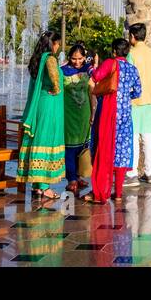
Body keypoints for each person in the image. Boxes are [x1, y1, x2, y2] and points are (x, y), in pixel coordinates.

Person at [89, 38, 141, 203]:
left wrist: (91, 67)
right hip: (125, 115)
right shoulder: (132, 69)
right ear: (127, 52)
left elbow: (96, 77)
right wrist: (125, 96)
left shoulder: (110, 63)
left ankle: (101, 190)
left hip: (108, 114)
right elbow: (138, 92)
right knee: (121, 153)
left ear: (113, 51)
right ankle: (118, 194)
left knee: (104, 149)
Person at [17, 31, 67, 202]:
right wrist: (57, 88)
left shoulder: (38, 59)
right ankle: (45, 187)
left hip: (40, 105)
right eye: (57, 43)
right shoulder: (50, 59)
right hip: (49, 106)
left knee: (38, 140)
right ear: (52, 43)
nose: (59, 46)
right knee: (47, 140)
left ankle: (38, 186)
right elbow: (55, 78)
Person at [126, 23, 151, 187]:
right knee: (148, 136)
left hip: (135, 100)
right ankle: (150, 172)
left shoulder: (131, 54)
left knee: (133, 137)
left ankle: (132, 174)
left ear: (132, 37)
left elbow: (128, 77)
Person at [61, 43, 94, 192]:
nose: (77, 62)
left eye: (80, 58)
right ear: (69, 57)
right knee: (70, 148)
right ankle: (71, 178)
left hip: (84, 114)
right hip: (68, 115)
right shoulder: (62, 71)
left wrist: (93, 113)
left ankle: (79, 176)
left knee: (82, 147)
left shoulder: (88, 70)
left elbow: (92, 92)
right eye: (74, 58)